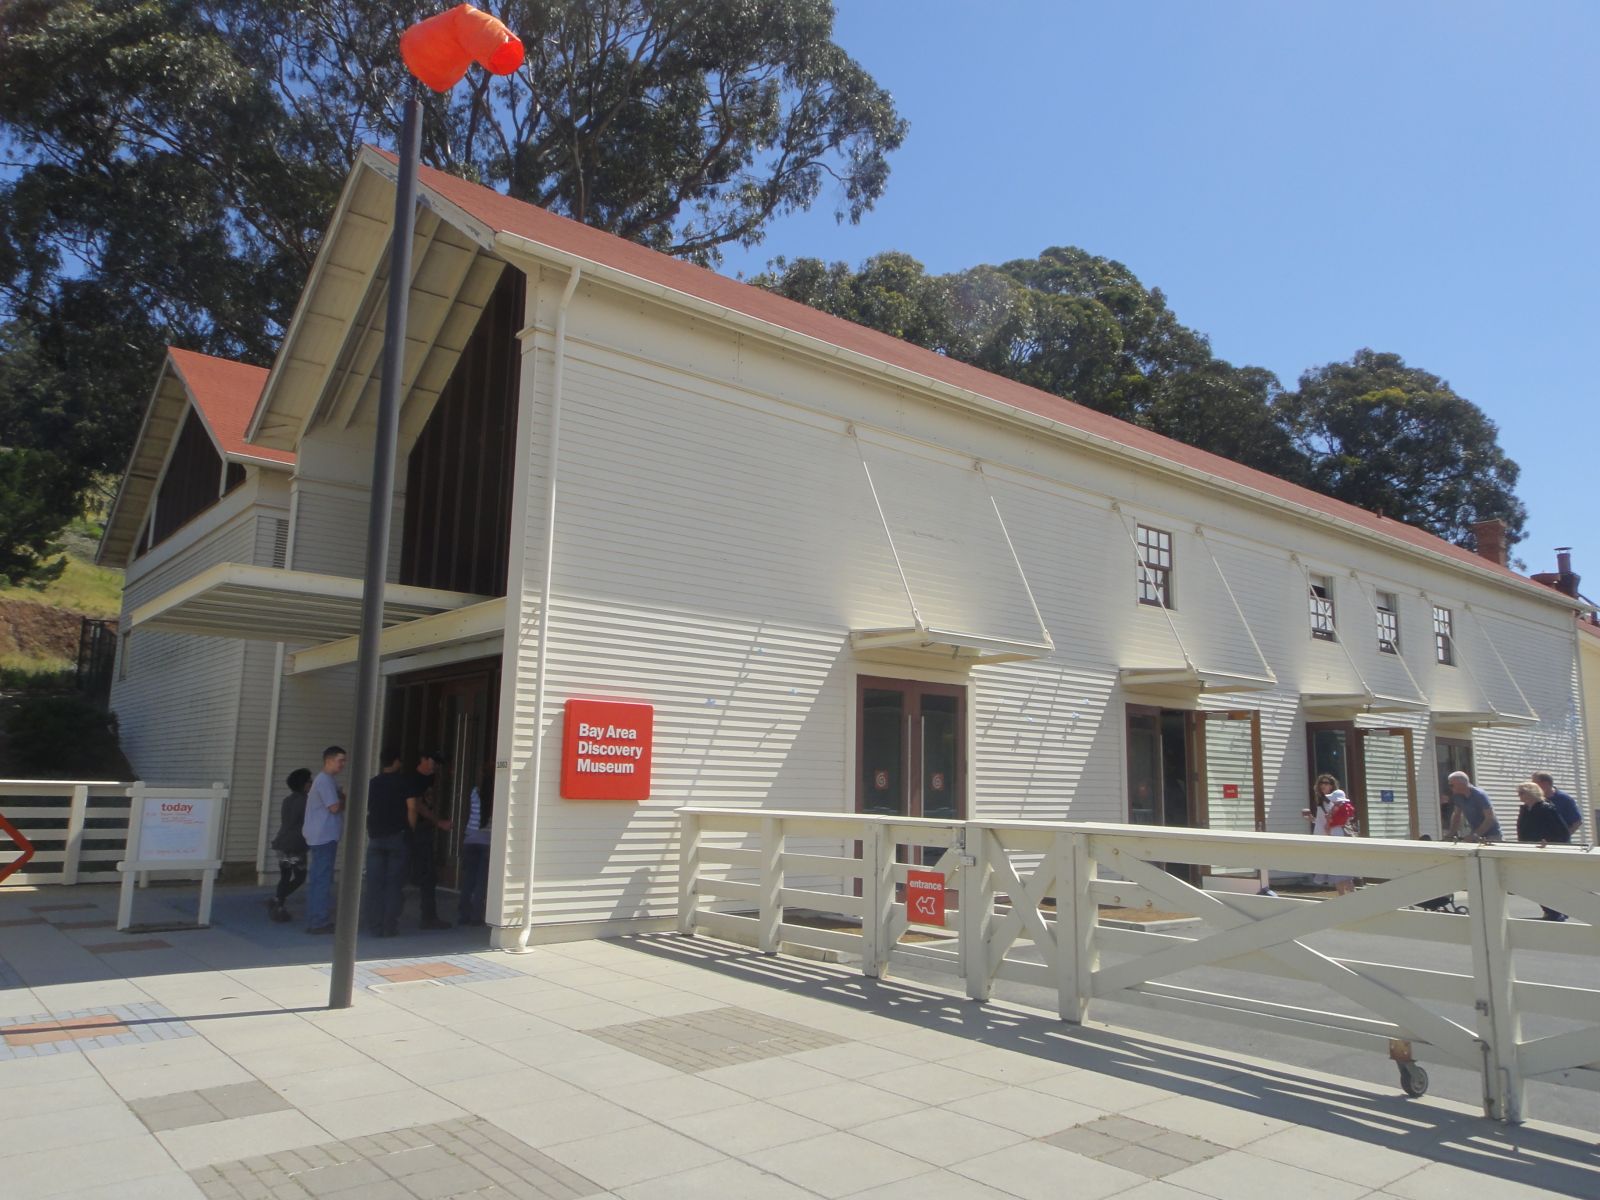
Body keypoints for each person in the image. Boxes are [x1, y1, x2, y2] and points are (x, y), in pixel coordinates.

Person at [363, 747, 426, 938]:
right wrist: (410, 828)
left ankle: (374, 926)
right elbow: (412, 807)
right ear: (397, 761)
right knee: (393, 884)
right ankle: (389, 926)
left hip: (375, 837)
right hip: (398, 836)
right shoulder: (404, 782)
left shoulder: (372, 783)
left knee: (374, 883)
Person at [302, 745, 347, 934]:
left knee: (318, 877)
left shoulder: (322, 781)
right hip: (324, 835)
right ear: (328, 760)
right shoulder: (325, 781)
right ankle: (319, 920)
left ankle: (316, 917)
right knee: (322, 879)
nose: (343, 764)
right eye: (340, 760)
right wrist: (344, 797)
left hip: (319, 835)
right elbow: (334, 807)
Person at [408, 750, 453, 930]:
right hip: (416, 832)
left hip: (425, 832)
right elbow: (416, 806)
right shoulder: (414, 779)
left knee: (428, 876)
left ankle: (429, 916)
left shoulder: (431, 780)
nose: (435, 766)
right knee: (424, 875)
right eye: (433, 762)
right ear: (423, 760)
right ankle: (428, 917)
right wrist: (438, 822)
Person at [1516, 781, 1572, 921]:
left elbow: (1563, 832)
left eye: (1521, 793)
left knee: (1548, 883)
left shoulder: (1546, 808)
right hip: (1530, 851)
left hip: (1547, 853)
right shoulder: (1524, 810)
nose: (1519, 796)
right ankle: (1550, 911)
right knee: (1535, 883)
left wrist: (1549, 842)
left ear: (1531, 793)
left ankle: (1555, 911)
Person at [267, 768, 312, 923]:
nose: (311, 784)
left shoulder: (287, 800)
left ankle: (278, 902)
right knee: (300, 876)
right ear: (304, 784)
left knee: (285, 875)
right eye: (309, 781)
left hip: (281, 843)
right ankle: (278, 900)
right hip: (296, 845)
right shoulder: (306, 801)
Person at [1301, 773, 1355, 895]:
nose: (1323, 786)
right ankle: (1346, 898)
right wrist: (1312, 819)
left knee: (1340, 871)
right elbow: (1323, 821)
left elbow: (1331, 822)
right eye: (1321, 783)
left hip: (1331, 837)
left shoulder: (1332, 802)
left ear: (1332, 786)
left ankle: (1349, 897)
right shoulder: (1323, 801)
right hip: (1327, 837)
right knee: (1337, 871)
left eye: (1326, 783)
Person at [458, 767, 493, 927]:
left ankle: (463, 914)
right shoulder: (495, 798)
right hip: (486, 842)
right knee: (481, 882)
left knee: (468, 880)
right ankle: (476, 916)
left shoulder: (474, 793)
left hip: (470, 839)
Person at [1445, 771, 1503, 841]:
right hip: (1476, 835)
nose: (1450, 787)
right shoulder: (1457, 796)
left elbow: (1490, 818)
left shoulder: (1479, 795)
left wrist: (1475, 834)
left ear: (1461, 784)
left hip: (1492, 835)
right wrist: (1451, 833)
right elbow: (1457, 815)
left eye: (1451, 785)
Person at [1530, 771, 1582, 841]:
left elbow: (1577, 822)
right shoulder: (1535, 799)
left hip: (1559, 845)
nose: (1532, 786)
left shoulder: (1564, 799)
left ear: (1545, 783)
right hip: (1540, 843)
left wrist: (1563, 837)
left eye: (1534, 783)